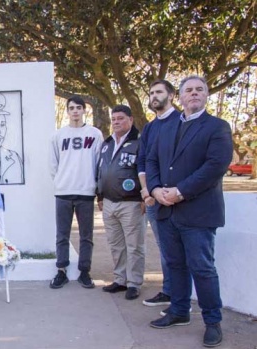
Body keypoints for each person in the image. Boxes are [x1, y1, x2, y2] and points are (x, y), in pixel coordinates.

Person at [147, 75, 232, 348]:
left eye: (199, 90)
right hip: (166, 211)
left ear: (206, 95)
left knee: (202, 268)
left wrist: (180, 191)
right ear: (180, 97)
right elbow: (152, 160)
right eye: (189, 90)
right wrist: (156, 189)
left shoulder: (217, 127)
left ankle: (212, 322)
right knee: (175, 265)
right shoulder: (166, 128)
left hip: (198, 213)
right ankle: (179, 311)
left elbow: (215, 166)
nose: (194, 94)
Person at [49, 96, 103, 289]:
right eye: (71, 108)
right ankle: (61, 271)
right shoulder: (58, 135)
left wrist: (94, 185)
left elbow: (99, 162)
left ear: (84, 111)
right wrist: (60, 181)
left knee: (86, 235)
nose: (75, 111)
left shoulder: (95, 134)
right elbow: (53, 163)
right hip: (63, 191)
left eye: (78, 108)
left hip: (86, 192)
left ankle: (85, 271)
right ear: (67, 111)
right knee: (62, 234)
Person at [137, 80, 182, 311]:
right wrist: (147, 192)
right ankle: (169, 292)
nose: (154, 96)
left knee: (181, 251)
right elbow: (143, 161)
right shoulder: (150, 128)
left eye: (159, 92)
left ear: (172, 95)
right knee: (165, 248)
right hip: (155, 199)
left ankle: (181, 297)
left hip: (179, 198)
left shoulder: (182, 122)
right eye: (152, 93)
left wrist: (174, 191)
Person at [97, 105, 145, 301]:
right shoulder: (107, 144)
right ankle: (120, 279)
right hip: (108, 202)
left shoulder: (139, 143)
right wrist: (99, 195)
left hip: (131, 202)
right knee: (116, 244)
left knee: (134, 245)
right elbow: (99, 171)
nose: (116, 122)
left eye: (121, 118)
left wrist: (144, 197)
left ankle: (134, 283)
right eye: (114, 119)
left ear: (130, 120)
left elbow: (145, 170)